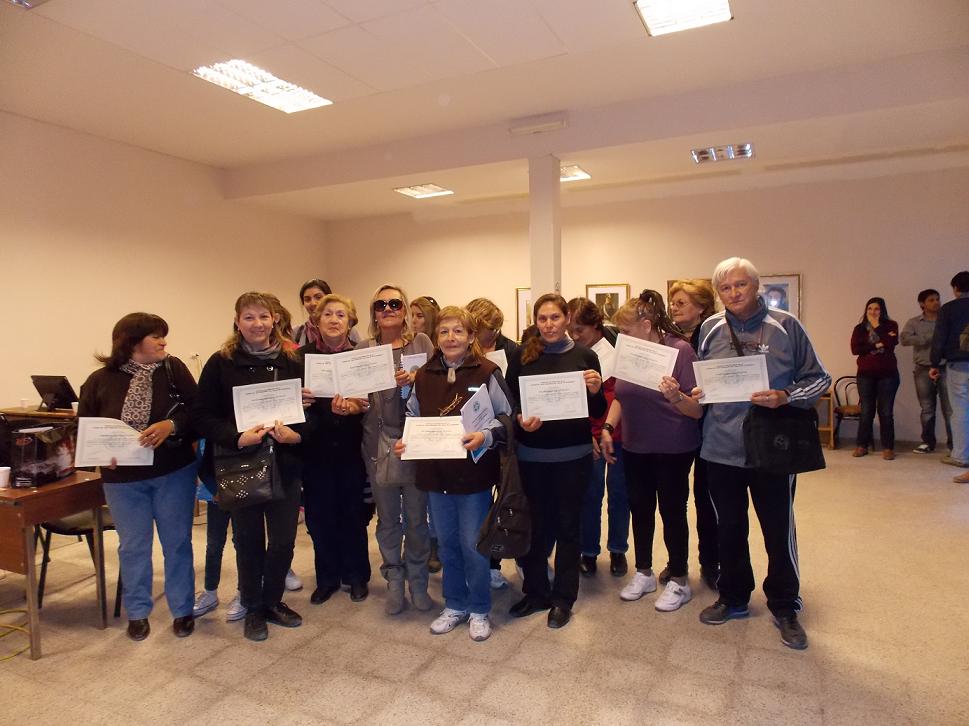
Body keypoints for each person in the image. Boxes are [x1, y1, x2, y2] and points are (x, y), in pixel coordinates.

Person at [695, 257, 830, 650]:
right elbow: (703, 381)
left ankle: (785, 604)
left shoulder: (786, 325)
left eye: (741, 285)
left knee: (777, 528)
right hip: (721, 447)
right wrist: (698, 392)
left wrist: (786, 396)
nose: (734, 293)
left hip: (773, 448)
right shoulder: (709, 328)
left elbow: (819, 378)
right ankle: (734, 596)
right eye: (725, 287)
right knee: (729, 528)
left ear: (756, 287)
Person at [78, 313, 198, 641]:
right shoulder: (99, 380)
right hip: (122, 481)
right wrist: (98, 454)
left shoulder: (173, 370)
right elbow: (84, 427)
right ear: (132, 341)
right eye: (156, 336)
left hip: (173, 471)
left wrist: (171, 425)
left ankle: (183, 610)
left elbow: (198, 413)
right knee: (133, 546)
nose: (163, 342)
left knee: (177, 543)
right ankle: (138, 613)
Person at [396, 305, 513, 641]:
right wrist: (407, 441)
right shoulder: (424, 375)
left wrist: (485, 436)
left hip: (473, 477)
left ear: (471, 336)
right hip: (436, 476)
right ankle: (455, 604)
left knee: (472, 544)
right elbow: (412, 415)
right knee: (447, 544)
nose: (451, 337)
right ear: (436, 337)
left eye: (459, 331)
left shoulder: (487, 372)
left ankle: (479, 608)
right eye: (444, 331)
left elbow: (506, 417)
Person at [194, 292, 306, 642]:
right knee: (248, 540)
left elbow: (310, 412)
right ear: (237, 321)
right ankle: (253, 607)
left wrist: (296, 434)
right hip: (241, 465)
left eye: (263, 317)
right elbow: (202, 416)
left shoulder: (293, 360)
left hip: (285, 465)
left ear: (275, 320)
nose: (257, 324)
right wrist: (236, 437)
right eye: (249, 317)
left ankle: (273, 601)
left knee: (284, 541)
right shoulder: (220, 363)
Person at [505, 293, 606, 629]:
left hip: (574, 457)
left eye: (555, 318)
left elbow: (597, 412)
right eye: (542, 319)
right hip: (532, 457)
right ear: (535, 321)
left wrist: (595, 391)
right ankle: (536, 592)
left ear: (567, 319)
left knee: (568, 528)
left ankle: (563, 598)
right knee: (534, 527)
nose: (549, 325)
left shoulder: (586, 356)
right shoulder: (522, 356)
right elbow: (510, 403)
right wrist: (519, 420)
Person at [599, 292, 702, 612]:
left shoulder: (680, 350)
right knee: (640, 508)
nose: (622, 337)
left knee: (672, 511)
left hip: (673, 446)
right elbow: (621, 396)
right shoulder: (630, 351)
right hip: (635, 444)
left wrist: (676, 396)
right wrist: (608, 427)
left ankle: (679, 579)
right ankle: (643, 571)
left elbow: (697, 410)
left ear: (646, 325)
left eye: (626, 330)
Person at [359, 284, 436, 615]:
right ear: (374, 313)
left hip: (417, 442)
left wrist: (418, 379)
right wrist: (348, 403)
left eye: (394, 303)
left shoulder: (422, 343)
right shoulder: (363, 349)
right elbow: (356, 398)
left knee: (417, 519)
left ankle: (418, 581)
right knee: (388, 519)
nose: (388, 309)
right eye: (381, 305)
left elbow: (442, 385)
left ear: (404, 310)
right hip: (378, 444)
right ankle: (393, 578)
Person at [300, 294, 372, 604]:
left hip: (351, 448)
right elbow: (289, 404)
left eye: (340, 314)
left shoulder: (359, 357)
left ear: (350, 321)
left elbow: (371, 401)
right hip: (314, 450)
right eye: (327, 314)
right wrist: (298, 399)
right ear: (316, 320)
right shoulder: (300, 358)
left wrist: (357, 407)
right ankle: (327, 578)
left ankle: (356, 576)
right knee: (319, 518)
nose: (333, 319)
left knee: (353, 515)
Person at [566, 297, 630, 579]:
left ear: (596, 325)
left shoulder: (617, 348)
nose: (574, 336)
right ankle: (588, 552)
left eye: (579, 330)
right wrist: (585, 433)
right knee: (590, 496)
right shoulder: (570, 353)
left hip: (618, 433)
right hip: (587, 435)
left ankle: (618, 550)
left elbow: (623, 395)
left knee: (619, 494)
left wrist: (607, 428)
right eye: (570, 330)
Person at [667, 279, 720, 589]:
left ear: (701, 307)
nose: (674, 308)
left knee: (705, 498)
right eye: (672, 303)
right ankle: (677, 562)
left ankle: (710, 563)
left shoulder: (713, 337)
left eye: (681, 303)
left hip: (707, 426)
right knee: (674, 501)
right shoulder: (669, 339)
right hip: (675, 427)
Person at [466, 297, 521, 589]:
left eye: (495, 329)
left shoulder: (512, 350)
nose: (490, 335)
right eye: (485, 329)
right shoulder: (461, 351)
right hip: (472, 435)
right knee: (479, 503)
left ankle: (504, 560)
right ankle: (482, 561)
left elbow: (518, 394)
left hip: (503, 436)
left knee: (505, 500)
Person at [901, 289, 953, 454]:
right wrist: (925, 338)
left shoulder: (947, 320)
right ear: (922, 304)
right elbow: (904, 339)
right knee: (927, 409)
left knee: (949, 409)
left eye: (937, 299)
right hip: (923, 369)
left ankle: (955, 445)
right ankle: (928, 442)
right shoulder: (914, 322)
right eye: (931, 300)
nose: (936, 302)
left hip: (944, 368)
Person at [930, 270, 969, 483]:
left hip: (958, 364)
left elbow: (940, 338)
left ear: (955, 289)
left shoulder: (949, 309)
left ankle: (961, 456)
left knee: (960, 411)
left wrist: (934, 363)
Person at [851, 297, 900, 460]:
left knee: (886, 412)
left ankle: (888, 447)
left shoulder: (891, 325)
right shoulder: (859, 328)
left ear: (882, 310)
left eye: (877, 309)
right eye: (870, 308)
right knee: (866, 411)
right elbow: (855, 349)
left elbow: (892, 342)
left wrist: (876, 332)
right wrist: (878, 344)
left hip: (888, 374)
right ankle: (862, 445)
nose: (873, 312)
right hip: (865, 375)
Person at [293, 279, 332, 347]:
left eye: (318, 297)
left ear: (329, 299)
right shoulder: (295, 334)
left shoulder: (346, 330)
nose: (313, 303)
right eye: (307, 299)